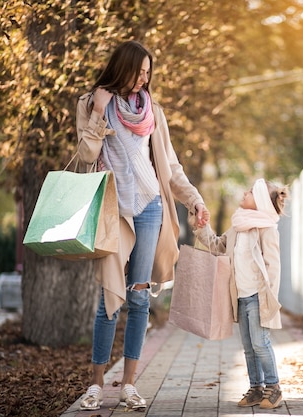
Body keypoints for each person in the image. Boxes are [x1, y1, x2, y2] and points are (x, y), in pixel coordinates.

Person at [75, 40, 209, 411]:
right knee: (109, 299)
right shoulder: (92, 103)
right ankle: (96, 385)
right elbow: (86, 155)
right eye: (139, 71)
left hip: (150, 208)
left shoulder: (153, 112)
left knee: (138, 296)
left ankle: (129, 385)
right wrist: (100, 114)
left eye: (149, 73)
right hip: (114, 210)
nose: (144, 79)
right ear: (123, 68)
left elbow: (170, 166)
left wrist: (194, 199)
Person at [194, 178, 289, 409]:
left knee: (260, 343)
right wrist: (202, 227)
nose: (244, 193)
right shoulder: (237, 226)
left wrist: (269, 299)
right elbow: (218, 245)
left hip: (258, 296)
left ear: (261, 202)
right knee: (248, 346)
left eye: (250, 192)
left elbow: (273, 267)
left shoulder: (267, 229)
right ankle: (256, 388)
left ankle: (273, 387)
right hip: (241, 296)